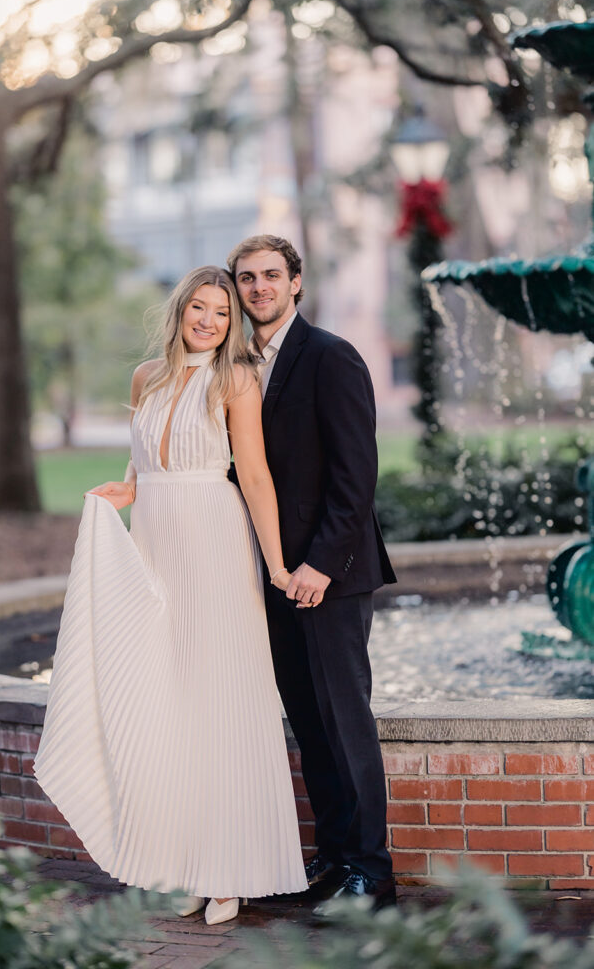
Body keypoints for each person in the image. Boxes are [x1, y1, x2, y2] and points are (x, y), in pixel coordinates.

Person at [34, 265, 307, 926]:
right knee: (168, 702)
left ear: (230, 320)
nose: (209, 320)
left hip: (214, 545)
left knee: (220, 703)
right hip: (155, 542)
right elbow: (144, 458)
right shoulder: (144, 377)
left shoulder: (236, 379)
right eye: (199, 308)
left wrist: (275, 564)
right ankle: (187, 861)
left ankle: (228, 872)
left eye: (221, 310)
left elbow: (257, 477)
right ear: (180, 310)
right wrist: (125, 489)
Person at [227, 234, 398, 914]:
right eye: (247, 278)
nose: (259, 288)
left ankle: (372, 874)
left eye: (271, 275)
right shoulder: (235, 366)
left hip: (331, 575)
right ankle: (332, 856)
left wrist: (318, 565)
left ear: (296, 283)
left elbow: (355, 478)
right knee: (307, 722)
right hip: (269, 577)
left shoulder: (330, 356)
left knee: (344, 721)